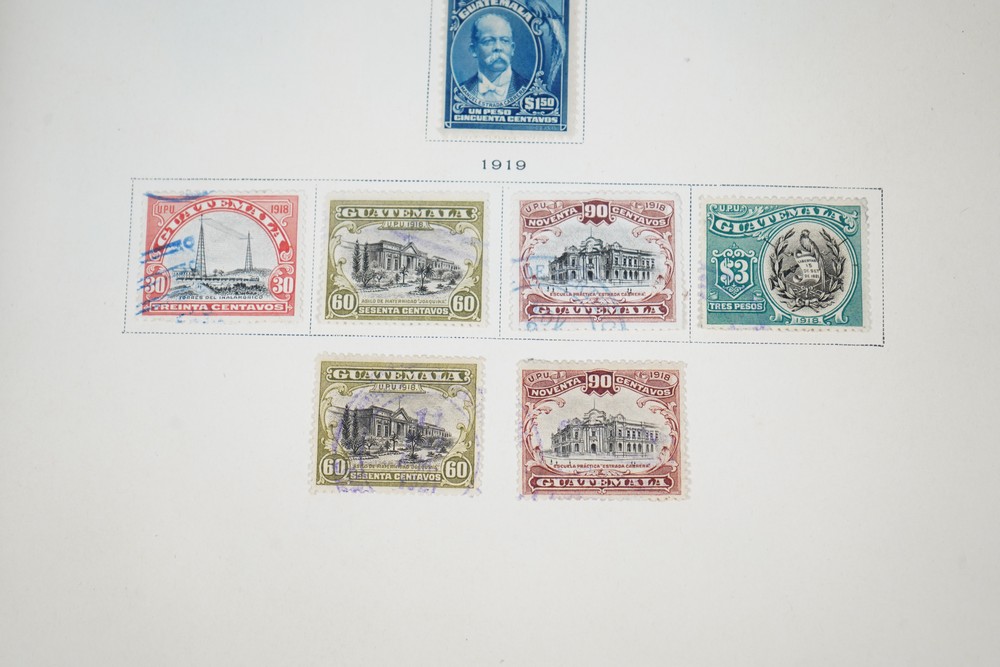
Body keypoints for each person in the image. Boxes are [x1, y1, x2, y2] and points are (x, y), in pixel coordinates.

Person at [462, 13, 530, 104]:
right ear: (474, 50)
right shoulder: (461, 91)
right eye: (488, 41)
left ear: (512, 49)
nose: (498, 47)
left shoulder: (530, 89)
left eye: (504, 40)